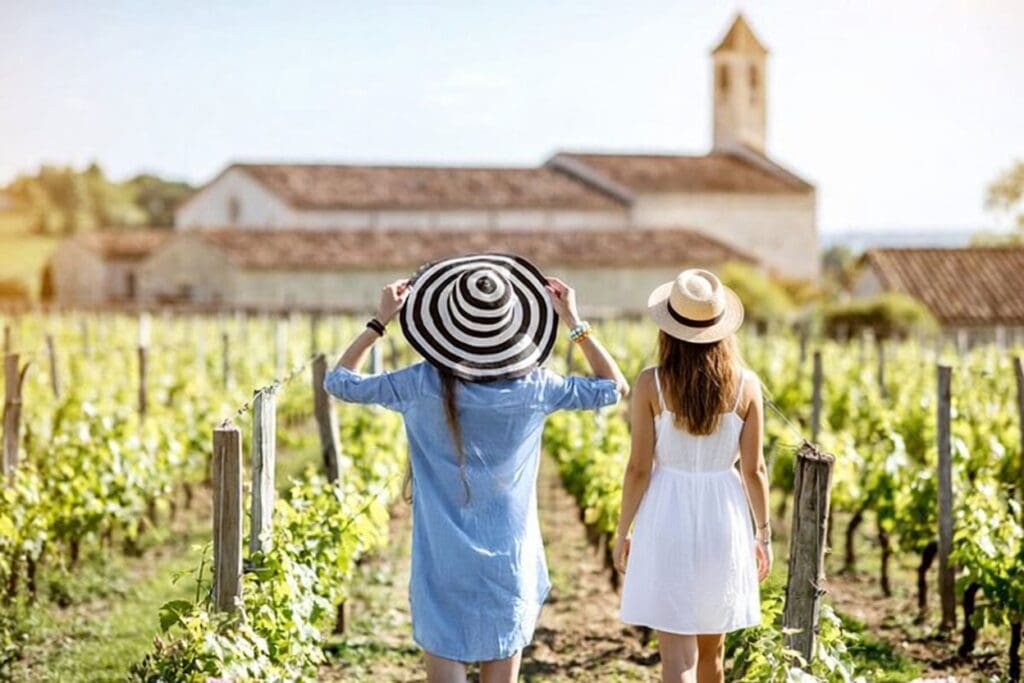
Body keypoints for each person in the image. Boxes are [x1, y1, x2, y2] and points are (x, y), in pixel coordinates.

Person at [323, 253, 628, 683]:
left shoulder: (419, 384)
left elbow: (338, 382)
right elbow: (614, 388)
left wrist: (379, 322)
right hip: (510, 562)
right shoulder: (536, 387)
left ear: (443, 330)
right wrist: (574, 322)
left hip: (440, 566)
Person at [615, 269, 771, 683]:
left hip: (666, 513)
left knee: (676, 659)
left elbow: (638, 468)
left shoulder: (652, 384)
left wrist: (621, 531)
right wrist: (764, 535)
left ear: (668, 328)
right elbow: (754, 470)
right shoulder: (747, 386)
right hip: (725, 515)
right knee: (712, 656)